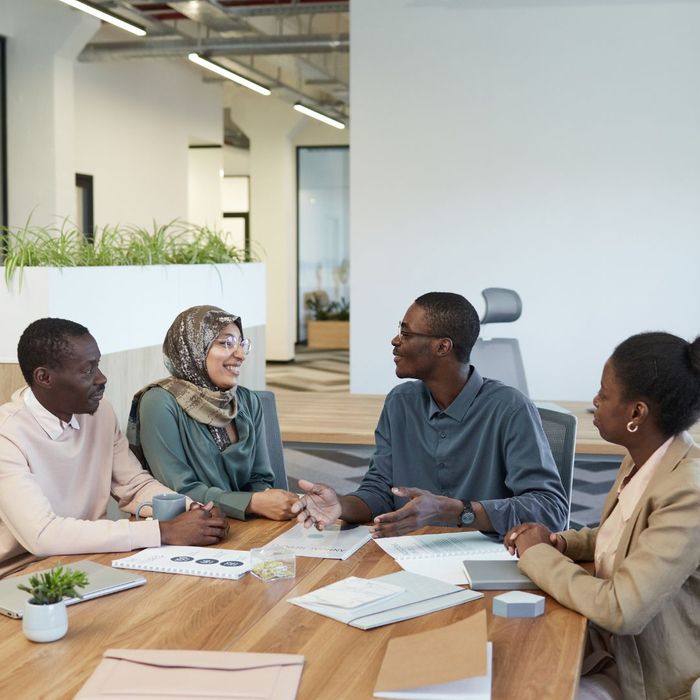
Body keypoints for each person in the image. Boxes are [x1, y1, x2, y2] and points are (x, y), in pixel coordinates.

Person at [505, 332, 700, 700]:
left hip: (645, 680)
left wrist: (537, 554)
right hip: (608, 651)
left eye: (604, 393)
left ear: (636, 413)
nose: (594, 400)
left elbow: (621, 608)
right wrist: (560, 542)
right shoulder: (644, 457)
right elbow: (624, 536)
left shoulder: (688, 492)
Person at [293, 292, 568, 538]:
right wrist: (340, 504)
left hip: (489, 557)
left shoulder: (510, 408)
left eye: (406, 333)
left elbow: (550, 509)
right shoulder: (400, 403)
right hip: (408, 555)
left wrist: (457, 512)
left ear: (442, 347)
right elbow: (380, 492)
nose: (395, 340)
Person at [0, 318, 229, 577]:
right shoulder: (6, 435)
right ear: (44, 377)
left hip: (87, 560)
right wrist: (163, 531)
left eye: (97, 364)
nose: (101, 378)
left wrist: (191, 509)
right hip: (19, 575)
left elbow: (134, 486)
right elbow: (42, 535)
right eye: (87, 371)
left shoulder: (100, 413)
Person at [129, 305, 297, 521]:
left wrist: (261, 502)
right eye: (226, 343)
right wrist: (250, 503)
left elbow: (261, 477)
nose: (240, 355)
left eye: (241, 344)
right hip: (187, 528)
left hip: (250, 523)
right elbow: (178, 490)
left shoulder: (247, 401)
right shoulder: (160, 402)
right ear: (193, 348)